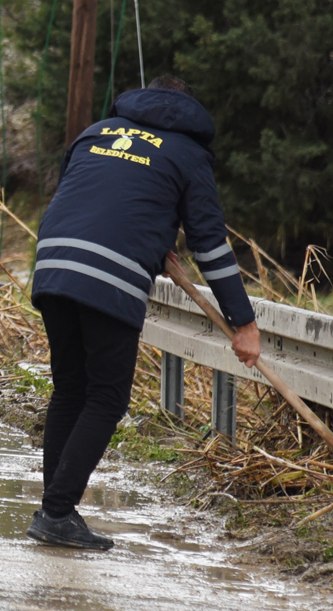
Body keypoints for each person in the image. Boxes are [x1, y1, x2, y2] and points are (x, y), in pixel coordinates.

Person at [28, 75, 261, 550]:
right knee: (107, 397)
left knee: (71, 388)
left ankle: (56, 508)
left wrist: (154, 245)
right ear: (187, 109)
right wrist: (244, 322)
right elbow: (210, 246)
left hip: (52, 263)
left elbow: (97, 201)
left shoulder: (96, 132)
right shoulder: (188, 154)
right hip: (107, 277)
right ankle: (56, 511)